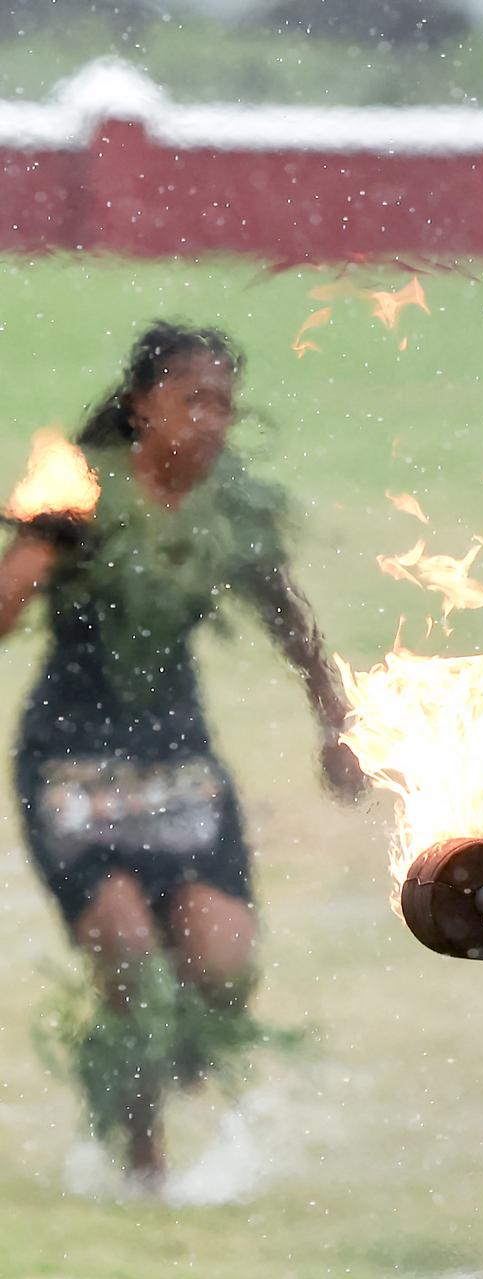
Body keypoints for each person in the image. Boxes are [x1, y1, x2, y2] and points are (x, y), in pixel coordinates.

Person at [0, 324, 363, 1188]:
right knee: (128, 949)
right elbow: (7, 605)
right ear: (140, 405)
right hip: (71, 761)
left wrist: (335, 724)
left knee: (221, 965)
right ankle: (141, 1154)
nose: (210, 422)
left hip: (177, 758)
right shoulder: (88, 489)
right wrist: (37, 539)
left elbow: (291, 622)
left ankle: (163, 1065)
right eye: (192, 400)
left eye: (225, 406)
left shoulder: (229, 508)